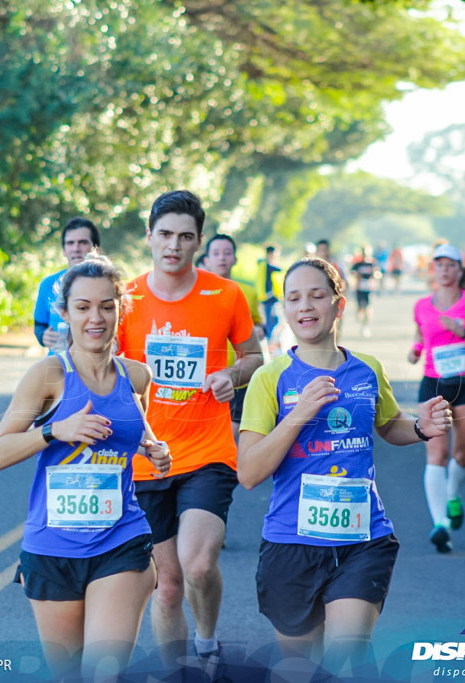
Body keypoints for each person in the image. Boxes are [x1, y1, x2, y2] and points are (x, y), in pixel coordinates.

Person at [238, 257, 452, 677]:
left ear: (339, 303)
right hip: (291, 542)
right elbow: (248, 472)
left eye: (317, 295)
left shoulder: (367, 369)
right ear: (284, 310)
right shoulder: (271, 377)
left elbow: (388, 425)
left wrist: (421, 428)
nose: (305, 306)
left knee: (343, 661)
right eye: (293, 298)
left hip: (363, 539)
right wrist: (297, 415)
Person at [0, 253, 172, 681]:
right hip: (53, 548)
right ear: (65, 314)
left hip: (120, 540)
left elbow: (137, 433)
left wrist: (153, 450)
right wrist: (56, 430)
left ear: (121, 310)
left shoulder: (137, 376)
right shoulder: (47, 375)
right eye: (84, 307)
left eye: (107, 306)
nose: (96, 318)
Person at [116, 190, 263, 672]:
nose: (173, 246)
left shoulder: (227, 295)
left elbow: (254, 357)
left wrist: (232, 375)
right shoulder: (127, 299)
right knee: (168, 582)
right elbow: (101, 365)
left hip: (209, 450)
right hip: (146, 455)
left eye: (184, 237)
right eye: (164, 235)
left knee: (198, 565)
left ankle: (206, 640)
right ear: (149, 237)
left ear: (199, 241)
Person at [408, 243, 465, 553]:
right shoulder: (422, 305)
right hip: (433, 383)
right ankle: (441, 525)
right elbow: (421, 336)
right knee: (436, 455)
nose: (445, 270)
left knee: (462, 456)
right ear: (433, 270)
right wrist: (416, 350)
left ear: (460, 270)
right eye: (440, 265)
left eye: (451, 265)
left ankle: (451, 498)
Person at [202, 234, 267, 438]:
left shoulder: (246, 292)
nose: (222, 258)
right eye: (216, 253)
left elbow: (257, 322)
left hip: (239, 376)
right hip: (206, 378)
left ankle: (232, 469)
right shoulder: (197, 293)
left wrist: (259, 329)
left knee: (232, 434)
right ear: (206, 260)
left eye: (227, 253)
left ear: (235, 259)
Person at [33, 217, 100, 353]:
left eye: (82, 242)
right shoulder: (48, 284)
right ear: (64, 250)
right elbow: (39, 325)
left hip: (94, 367)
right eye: (70, 243)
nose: (76, 248)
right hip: (57, 366)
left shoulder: (107, 285)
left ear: (96, 248)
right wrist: (43, 336)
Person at [256, 243, 284, 347]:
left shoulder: (262, 264)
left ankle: (269, 342)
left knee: (274, 320)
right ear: (270, 254)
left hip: (269, 298)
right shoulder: (267, 265)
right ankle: (268, 343)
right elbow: (280, 270)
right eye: (275, 254)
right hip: (269, 298)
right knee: (271, 321)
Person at [349, 246, 381, 338]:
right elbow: (352, 272)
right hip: (359, 288)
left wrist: (376, 275)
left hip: (369, 288)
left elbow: (378, 274)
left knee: (368, 308)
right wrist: (356, 275)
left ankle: (365, 326)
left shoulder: (372, 264)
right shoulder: (358, 264)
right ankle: (359, 315)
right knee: (361, 307)